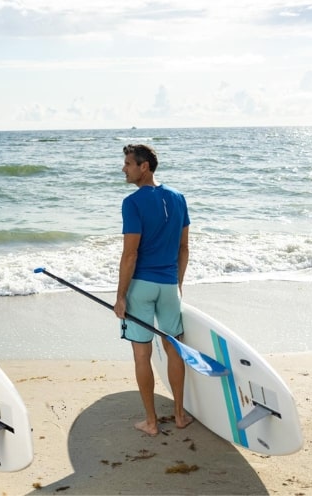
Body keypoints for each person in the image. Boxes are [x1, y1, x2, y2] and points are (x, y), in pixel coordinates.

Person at [114, 143, 193, 436]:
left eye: (128, 163)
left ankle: (151, 422)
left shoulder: (132, 203)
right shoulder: (179, 198)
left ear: (143, 166)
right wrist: (178, 283)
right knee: (173, 350)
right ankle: (180, 415)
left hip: (142, 288)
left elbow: (130, 255)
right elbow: (184, 248)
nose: (124, 168)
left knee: (141, 355)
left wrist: (121, 295)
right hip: (169, 285)